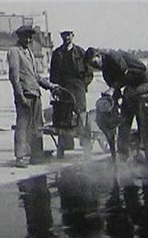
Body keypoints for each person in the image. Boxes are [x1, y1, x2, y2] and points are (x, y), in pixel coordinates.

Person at [85, 47, 148, 159]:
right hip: (130, 87)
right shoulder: (105, 72)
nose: (95, 67)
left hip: (143, 80)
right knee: (124, 118)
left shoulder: (112, 56)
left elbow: (125, 74)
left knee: (141, 116)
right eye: (92, 66)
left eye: (95, 62)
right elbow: (116, 89)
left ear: (98, 55)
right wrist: (112, 101)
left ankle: (144, 152)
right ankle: (123, 153)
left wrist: (113, 88)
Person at [7, 25, 54, 168]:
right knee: (22, 126)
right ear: (19, 37)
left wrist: (50, 86)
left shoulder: (30, 53)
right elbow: (14, 77)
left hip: (36, 94)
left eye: (30, 37)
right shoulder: (14, 52)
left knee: (37, 126)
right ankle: (20, 157)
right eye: (25, 37)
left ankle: (36, 155)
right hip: (25, 95)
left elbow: (35, 76)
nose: (28, 40)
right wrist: (20, 96)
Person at [48, 29, 92, 150]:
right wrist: (56, 87)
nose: (66, 37)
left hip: (78, 87)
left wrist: (84, 85)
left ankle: (86, 145)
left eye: (68, 35)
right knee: (63, 116)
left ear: (73, 35)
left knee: (81, 115)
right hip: (63, 87)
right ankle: (64, 146)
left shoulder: (80, 52)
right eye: (64, 35)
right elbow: (53, 73)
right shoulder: (57, 53)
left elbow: (89, 72)